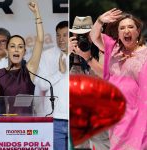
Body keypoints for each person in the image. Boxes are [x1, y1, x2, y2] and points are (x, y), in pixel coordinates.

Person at [88, 8, 147, 150]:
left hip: (140, 116)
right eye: (122, 28)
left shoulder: (145, 53)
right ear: (118, 33)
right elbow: (94, 36)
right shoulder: (113, 48)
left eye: (130, 27)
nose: (126, 30)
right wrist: (100, 21)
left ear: (138, 31)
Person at [69, 16, 109, 150]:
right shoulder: (68, 50)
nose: (82, 38)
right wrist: (66, 53)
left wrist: (88, 57)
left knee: (102, 144)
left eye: (85, 34)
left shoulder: (101, 46)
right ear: (73, 34)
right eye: (78, 34)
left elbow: (105, 75)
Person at [0, 1, 44, 115]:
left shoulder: (29, 71)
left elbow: (40, 40)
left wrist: (37, 14)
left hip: (27, 127)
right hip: (6, 128)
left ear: (24, 52)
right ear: (7, 50)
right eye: (12, 46)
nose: (16, 49)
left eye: (20, 47)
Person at [35, 21, 68, 150]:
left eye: (65, 35)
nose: (61, 39)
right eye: (58, 35)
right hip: (55, 119)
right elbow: (42, 85)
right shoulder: (46, 55)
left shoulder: (80, 54)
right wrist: (59, 73)